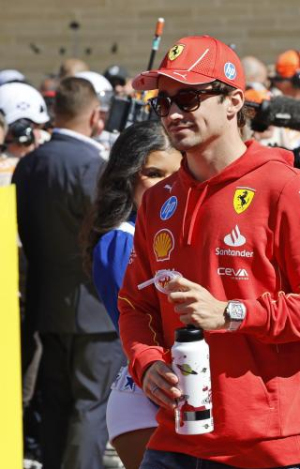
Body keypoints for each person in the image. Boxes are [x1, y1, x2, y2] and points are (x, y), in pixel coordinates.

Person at [117, 35, 300, 468]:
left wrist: (230, 313)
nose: (173, 113)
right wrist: (145, 363)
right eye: (162, 103)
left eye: (188, 98)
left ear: (233, 102)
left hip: (265, 447)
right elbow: (135, 304)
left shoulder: (284, 186)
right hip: (176, 440)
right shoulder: (158, 199)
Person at [13, 76, 122, 469]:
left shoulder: (28, 164)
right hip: (93, 309)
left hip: (47, 304)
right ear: (95, 117)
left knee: (55, 406)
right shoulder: (92, 167)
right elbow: (107, 237)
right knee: (90, 408)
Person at [83, 120, 182, 469]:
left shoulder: (161, 231)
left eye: (177, 174)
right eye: (154, 174)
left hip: (178, 388)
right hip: (149, 396)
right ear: (127, 177)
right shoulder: (120, 241)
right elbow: (140, 323)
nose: (167, 185)